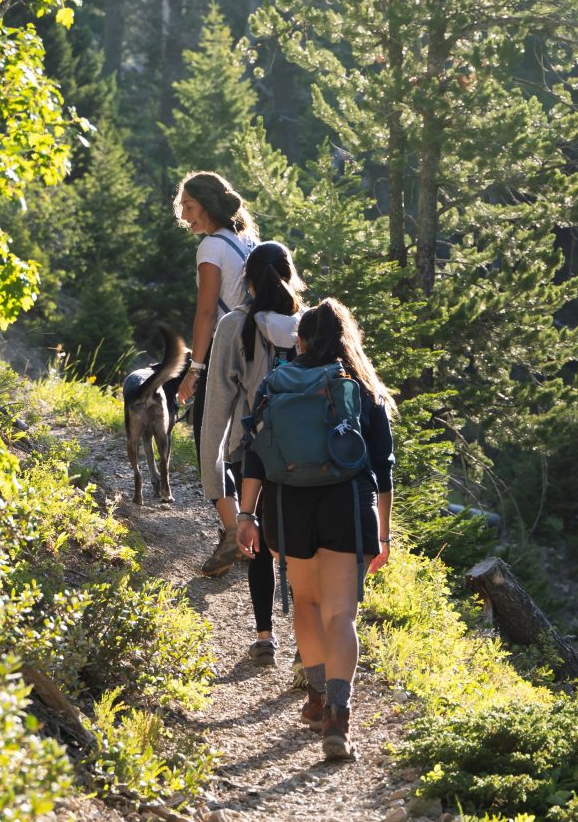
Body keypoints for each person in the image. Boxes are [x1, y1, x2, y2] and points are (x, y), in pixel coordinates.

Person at [235, 298, 396, 761]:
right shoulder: (360, 387)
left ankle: (316, 695)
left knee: (305, 601)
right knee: (340, 613)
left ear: (300, 339)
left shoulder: (275, 382)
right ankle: (338, 718)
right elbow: (382, 470)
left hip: (288, 505)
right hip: (345, 503)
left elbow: (255, 454)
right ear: (347, 340)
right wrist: (382, 535)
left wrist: (247, 516)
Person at [199, 242, 306, 666]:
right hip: (303, 453)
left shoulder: (234, 325)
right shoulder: (307, 324)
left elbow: (218, 407)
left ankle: (265, 638)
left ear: (246, 279)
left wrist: (214, 474)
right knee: (300, 545)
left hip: (252, 454)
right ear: (291, 274)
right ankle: (306, 643)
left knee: (256, 539)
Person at [172, 171, 259, 576]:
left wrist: (195, 369)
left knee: (211, 444)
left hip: (223, 355)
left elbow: (206, 312)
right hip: (256, 355)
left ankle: (231, 534)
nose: (184, 215)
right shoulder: (248, 242)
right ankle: (251, 529)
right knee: (243, 445)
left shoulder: (210, 247)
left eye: (188, 207)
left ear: (206, 206)